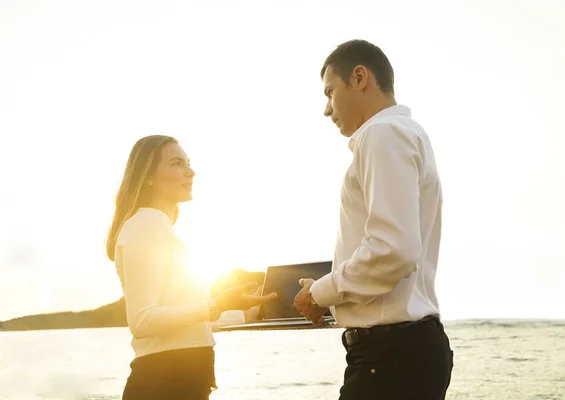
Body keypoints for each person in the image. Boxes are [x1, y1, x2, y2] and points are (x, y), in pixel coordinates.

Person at [294, 40, 453, 399]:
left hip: (390, 356)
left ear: (360, 77)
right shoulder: (403, 135)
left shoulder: (382, 134)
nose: (326, 109)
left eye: (330, 92)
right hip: (402, 352)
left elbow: (393, 251)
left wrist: (320, 293)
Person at [106, 134, 276, 400]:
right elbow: (142, 321)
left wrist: (243, 314)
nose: (190, 171)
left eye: (188, 163)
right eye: (176, 164)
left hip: (180, 380)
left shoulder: (157, 227)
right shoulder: (146, 224)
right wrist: (215, 305)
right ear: (147, 176)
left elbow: (183, 325)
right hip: (165, 383)